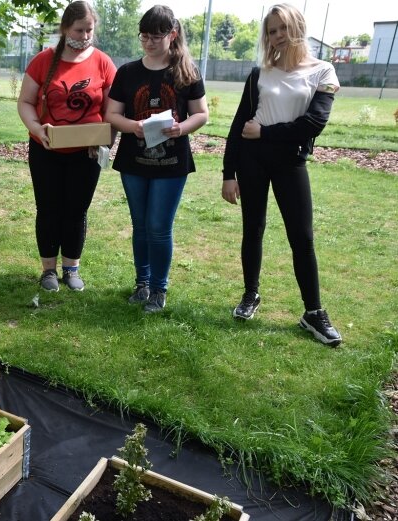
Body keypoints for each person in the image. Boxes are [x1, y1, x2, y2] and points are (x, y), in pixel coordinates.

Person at [221, 4, 341, 346]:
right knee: (253, 229)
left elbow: (313, 123)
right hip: (252, 160)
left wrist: (265, 133)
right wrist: (228, 173)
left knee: (302, 238)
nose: (276, 36)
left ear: (297, 28)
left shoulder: (323, 71)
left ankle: (313, 313)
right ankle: (250, 294)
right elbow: (238, 127)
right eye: (271, 31)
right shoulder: (259, 74)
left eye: (282, 29)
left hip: (290, 162)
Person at [104, 5, 208, 312]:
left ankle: (159, 290)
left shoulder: (185, 71)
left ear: (172, 35)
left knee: (159, 225)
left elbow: (202, 114)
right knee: (140, 226)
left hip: (172, 163)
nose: (149, 42)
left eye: (156, 36)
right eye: (144, 36)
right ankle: (142, 284)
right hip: (134, 161)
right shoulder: (127, 72)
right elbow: (112, 114)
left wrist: (181, 128)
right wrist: (133, 126)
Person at [17, 0, 116, 292]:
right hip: (45, 150)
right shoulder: (42, 61)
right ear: (64, 28)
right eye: (79, 30)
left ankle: (71, 269)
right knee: (48, 208)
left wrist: (104, 141)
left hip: (87, 154)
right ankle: (48, 270)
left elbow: (112, 110)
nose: (85, 36)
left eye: (89, 30)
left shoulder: (103, 62)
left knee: (76, 210)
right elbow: (24, 102)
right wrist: (37, 128)